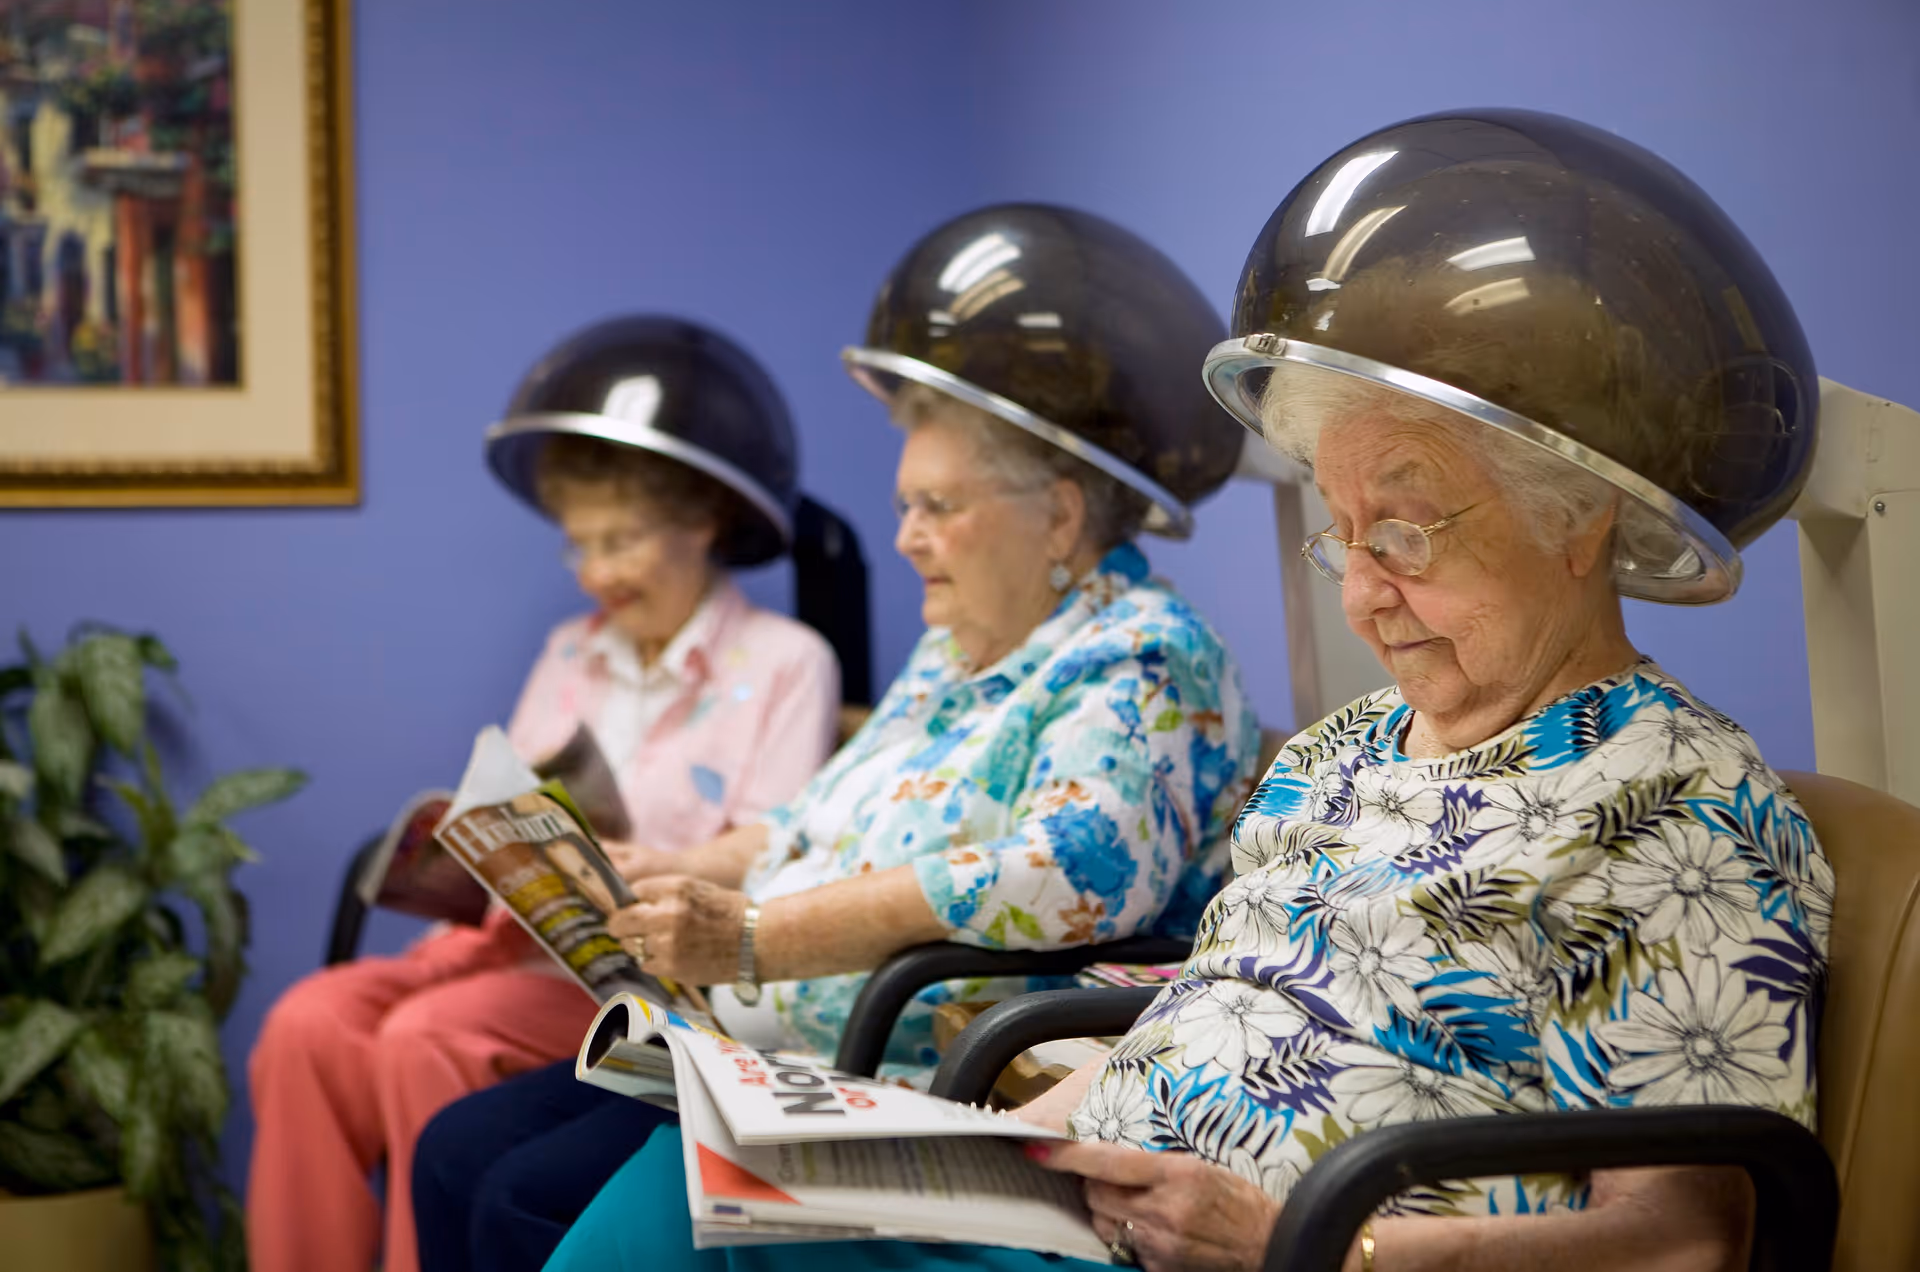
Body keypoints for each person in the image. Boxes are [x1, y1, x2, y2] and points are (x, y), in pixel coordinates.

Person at [547, 111, 1828, 1272]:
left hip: (1281, 1255)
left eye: (1411, 535)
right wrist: (945, 1153)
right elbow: (1197, 1029)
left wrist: (1313, 1246)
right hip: (1083, 1217)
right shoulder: (1341, 751)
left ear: (1580, 521)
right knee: (711, 1184)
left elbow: (1681, 1245)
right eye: (1345, 536)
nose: (1363, 595)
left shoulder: (1673, 801)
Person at [409, 203, 1262, 1272]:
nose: (905, 539)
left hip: (898, 1079)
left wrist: (762, 938)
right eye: (907, 506)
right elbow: (806, 828)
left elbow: (1075, 870)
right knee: (454, 1155)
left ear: (1056, 516)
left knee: (519, 1204)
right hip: (770, 1046)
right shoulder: (957, 653)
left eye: (936, 507)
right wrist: (667, 872)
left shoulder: (1147, 654)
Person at [245, 317, 841, 1272]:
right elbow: (512, 799)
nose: (599, 571)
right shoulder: (573, 648)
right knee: (308, 1021)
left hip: (642, 980)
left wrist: (672, 864)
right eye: (580, 546)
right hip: (509, 945)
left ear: (705, 519)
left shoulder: (785, 663)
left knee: (422, 1037)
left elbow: (778, 846)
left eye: (625, 539)